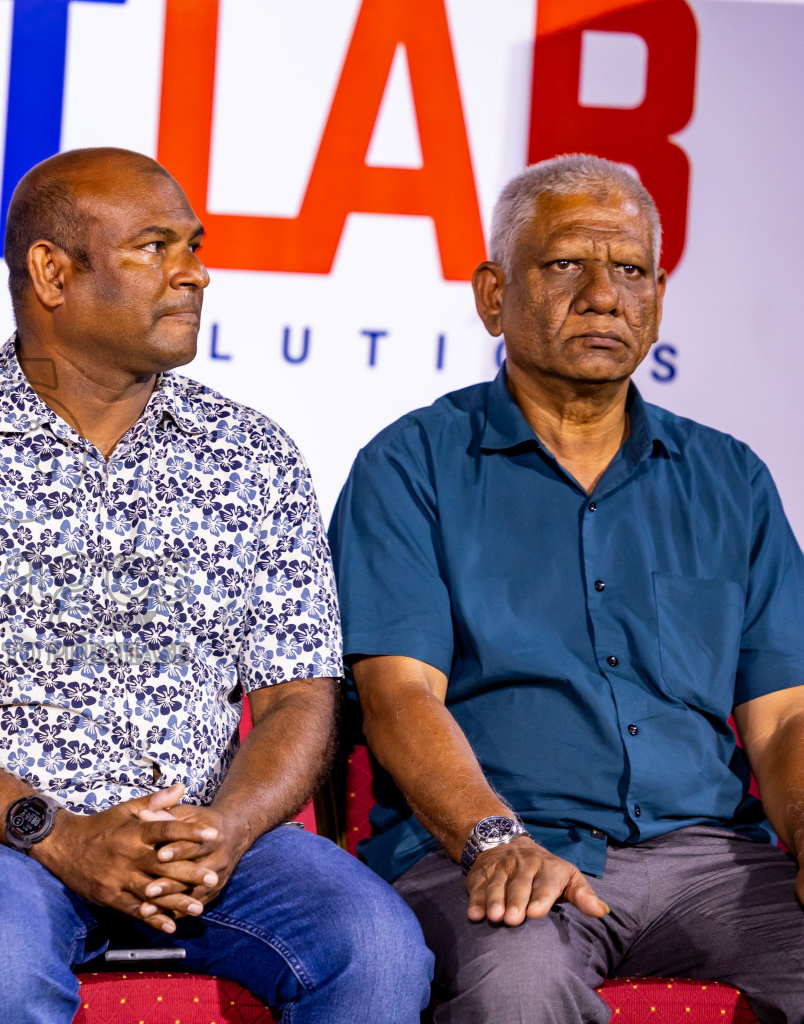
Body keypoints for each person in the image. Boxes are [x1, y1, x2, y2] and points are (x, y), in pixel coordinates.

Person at [0, 146, 432, 1024]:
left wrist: (228, 829)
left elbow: (300, 697)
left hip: (209, 842)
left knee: (381, 950)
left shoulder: (253, 455)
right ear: (52, 273)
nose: (195, 274)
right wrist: (57, 834)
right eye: (155, 248)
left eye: (195, 246)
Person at [329, 154, 804, 1023]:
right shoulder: (411, 467)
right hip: (496, 848)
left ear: (657, 295)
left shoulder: (731, 479)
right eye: (564, 265)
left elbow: (783, 717)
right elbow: (397, 697)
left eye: (629, 270)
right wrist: (493, 836)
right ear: (491, 295)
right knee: (518, 990)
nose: (601, 294)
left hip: (711, 858)